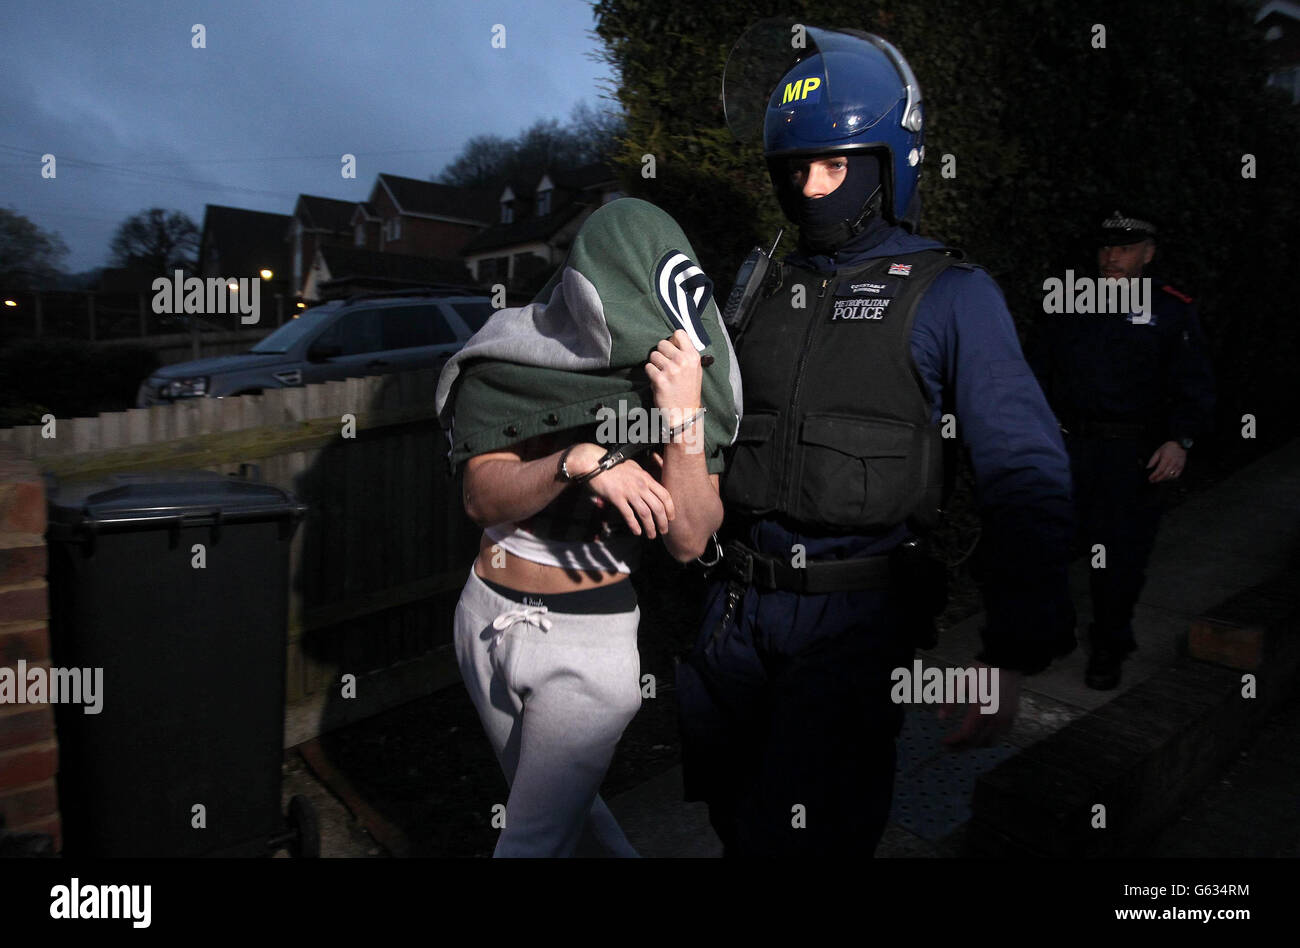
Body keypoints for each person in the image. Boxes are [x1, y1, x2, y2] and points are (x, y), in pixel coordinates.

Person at [674, 22, 1077, 857]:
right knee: (730, 816)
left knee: (812, 840)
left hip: (850, 628)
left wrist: (1009, 650)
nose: (811, 187)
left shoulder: (953, 295)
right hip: (732, 615)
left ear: (891, 163)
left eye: (834, 165)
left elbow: (1025, 470)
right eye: (793, 169)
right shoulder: (758, 289)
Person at [434, 198, 740, 857]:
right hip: (483, 613)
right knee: (567, 824)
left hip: (586, 647)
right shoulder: (523, 353)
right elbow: (482, 497)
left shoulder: (681, 375)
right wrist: (575, 462)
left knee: (529, 842)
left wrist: (682, 420)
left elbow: (690, 539)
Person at [1029, 210, 1215, 689]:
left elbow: (1193, 383)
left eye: (1126, 247)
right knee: (1047, 546)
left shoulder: (1171, 308)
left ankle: (1110, 645)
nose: (1113, 256)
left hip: (1132, 454)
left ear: (1148, 254)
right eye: (1107, 247)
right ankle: (1056, 632)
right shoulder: (1067, 301)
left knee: (1119, 559)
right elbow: (1039, 370)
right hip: (1069, 446)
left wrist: (1181, 439)